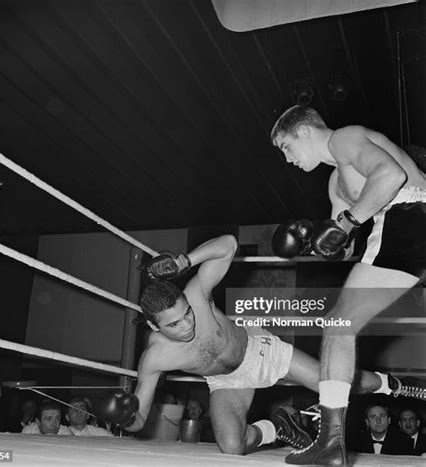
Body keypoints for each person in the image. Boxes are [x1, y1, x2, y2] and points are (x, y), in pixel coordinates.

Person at [99, 235, 422, 456]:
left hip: (261, 352)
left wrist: (186, 260)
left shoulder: (198, 293)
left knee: (340, 384)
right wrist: (126, 417)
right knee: (231, 446)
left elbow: (228, 244)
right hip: (225, 381)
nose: (188, 325)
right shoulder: (154, 359)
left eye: (186, 314)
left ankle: (392, 385)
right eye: (174, 324)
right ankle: (276, 428)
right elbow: (140, 419)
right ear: (154, 326)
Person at [270, 105, 426, 464]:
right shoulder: (335, 182)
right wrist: (312, 240)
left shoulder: (345, 138)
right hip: (405, 229)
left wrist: (346, 223)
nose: (288, 159)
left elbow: (390, 176)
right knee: (340, 323)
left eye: (286, 147)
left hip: (408, 217)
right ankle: (331, 441)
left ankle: (331, 444)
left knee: (340, 324)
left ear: (306, 131)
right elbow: (347, 248)